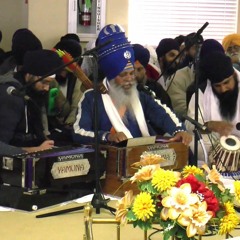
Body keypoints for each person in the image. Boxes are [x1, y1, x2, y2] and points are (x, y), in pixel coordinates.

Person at [73, 24, 192, 146]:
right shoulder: (91, 98)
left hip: (144, 157)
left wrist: (179, 130)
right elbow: (78, 132)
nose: (130, 79)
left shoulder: (141, 94)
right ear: (111, 77)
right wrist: (107, 136)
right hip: (110, 159)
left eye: (131, 73)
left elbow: (163, 114)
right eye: (123, 75)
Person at [0, 49, 63, 148]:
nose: (46, 88)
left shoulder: (34, 94)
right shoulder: (12, 95)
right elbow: (3, 145)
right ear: (29, 75)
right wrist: (34, 150)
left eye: (49, 83)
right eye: (44, 82)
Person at [186, 51, 240, 163]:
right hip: (215, 143)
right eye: (218, 86)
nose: (223, 89)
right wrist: (209, 125)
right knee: (192, 144)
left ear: (234, 75)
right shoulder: (201, 93)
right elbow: (190, 125)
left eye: (226, 83)